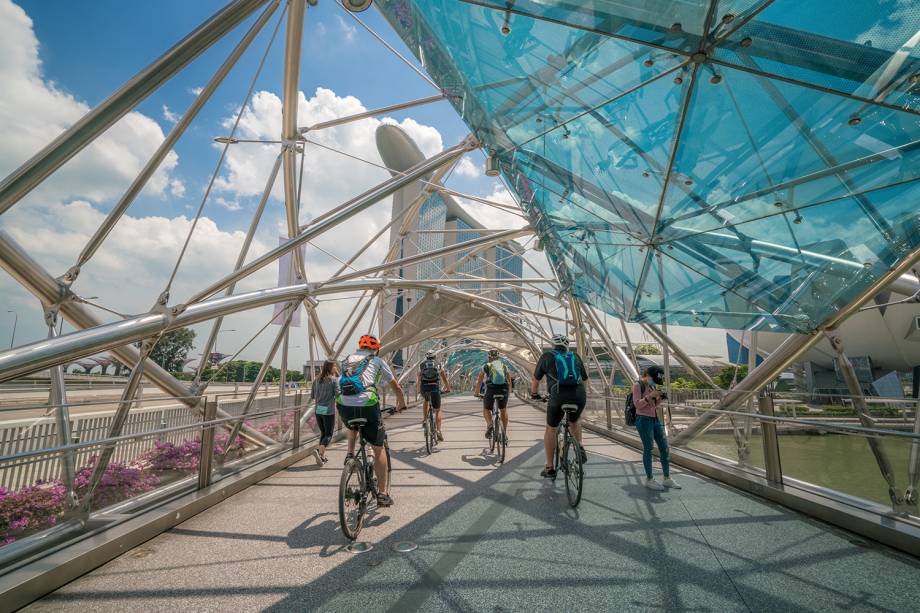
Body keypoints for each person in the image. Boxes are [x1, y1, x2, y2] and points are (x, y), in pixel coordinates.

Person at [337, 334, 407, 507]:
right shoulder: (377, 360)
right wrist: (402, 403)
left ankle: (350, 454)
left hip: (343, 403)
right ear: (376, 348)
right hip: (367, 403)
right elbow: (396, 386)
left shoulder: (346, 360)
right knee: (378, 447)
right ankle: (383, 494)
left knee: (352, 423)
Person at [530, 334, 589, 479]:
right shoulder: (574, 356)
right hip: (578, 395)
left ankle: (550, 468)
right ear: (567, 346)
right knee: (575, 422)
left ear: (553, 345)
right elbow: (585, 380)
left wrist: (534, 394)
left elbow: (535, 379)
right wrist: (580, 395)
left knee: (551, 429)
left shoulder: (547, 356)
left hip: (558, 396)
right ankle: (579, 446)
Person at [633, 365, 680, 491]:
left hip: (655, 419)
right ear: (647, 376)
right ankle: (649, 479)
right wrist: (650, 396)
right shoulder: (638, 385)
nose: (654, 381)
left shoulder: (654, 385)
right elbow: (637, 405)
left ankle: (667, 478)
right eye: (653, 379)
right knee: (648, 448)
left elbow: (654, 405)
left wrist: (659, 398)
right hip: (643, 420)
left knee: (664, 448)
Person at [475, 348, 514, 443]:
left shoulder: (486, 366)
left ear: (489, 357)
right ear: (498, 357)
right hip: (503, 389)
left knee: (486, 409)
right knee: (503, 409)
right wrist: (509, 392)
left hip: (491, 389)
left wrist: (476, 393)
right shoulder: (504, 366)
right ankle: (504, 433)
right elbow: (509, 381)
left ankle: (489, 424)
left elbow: (479, 380)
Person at [416, 350, 450, 441]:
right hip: (435, 387)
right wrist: (447, 388)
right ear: (435, 357)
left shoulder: (422, 365)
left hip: (424, 387)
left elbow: (419, 379)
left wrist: (418, 390)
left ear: (426, 357)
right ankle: (438, 431)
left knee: (426, 400)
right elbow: (443, 377)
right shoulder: (438, 364)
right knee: (438, 409)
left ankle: (424, 420)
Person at [311, 360, 339, 465]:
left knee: (323, 433)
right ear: (331, 368)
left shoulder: (316, 380)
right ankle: (319, 450)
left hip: (319, 410)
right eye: (334, 366)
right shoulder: (333, 380)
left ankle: (321, 457)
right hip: (329, 410)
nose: (335, 368)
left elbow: (312, 396)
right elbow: (338, 394)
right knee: (329, 434)